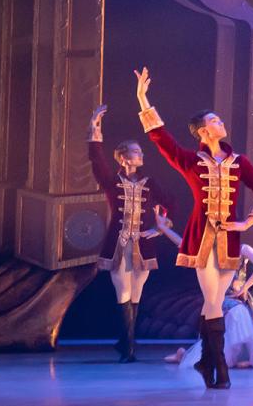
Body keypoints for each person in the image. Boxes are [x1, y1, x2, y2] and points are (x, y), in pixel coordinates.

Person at [135, 67, 253, 389]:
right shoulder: (190, 160)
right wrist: (143, 98)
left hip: (229, 240)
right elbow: (160, 138)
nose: (220, 122)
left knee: (215, 299)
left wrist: (248, 220)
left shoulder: (240, 161)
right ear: (202, 132)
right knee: (212, 299)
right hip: (200, 239)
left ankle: (205, 362)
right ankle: (218, 367)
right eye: (214, 121)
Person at [86, 104, 176, 363]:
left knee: (136, 295)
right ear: (124, 158)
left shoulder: (150, 183)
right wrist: (94, 129)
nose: (141, 155)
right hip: (118, 245)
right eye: (136, 152)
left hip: (143, 246)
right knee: (123, 293)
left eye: (140, 151)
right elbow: (96, 160)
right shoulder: (112, 181)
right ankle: (129, 350)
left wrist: (160, 227)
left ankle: (125, 343)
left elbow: (172, 204)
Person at [156, 212, 253, 369]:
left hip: (238, 299)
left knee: (240, 316)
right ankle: (187, 355)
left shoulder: (241, 249)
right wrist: (163, 228)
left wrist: (246, 287)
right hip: (220, 300)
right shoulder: (209, 252)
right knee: (228, 322)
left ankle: (245, 358)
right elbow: (182, 243)